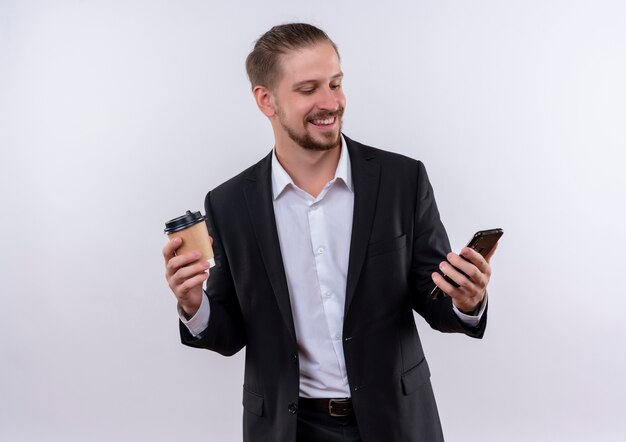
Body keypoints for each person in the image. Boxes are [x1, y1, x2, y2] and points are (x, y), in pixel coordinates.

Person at [163, 23, 497, 442]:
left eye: (335, 84)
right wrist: (194, 305)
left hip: (397, 422)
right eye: (308, 89)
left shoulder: (401, 180)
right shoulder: (229, 204)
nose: (330, 102)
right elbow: (229, 336)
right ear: (266, 100)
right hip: (288, 429)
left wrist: (467, 300)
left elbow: (435, 301)